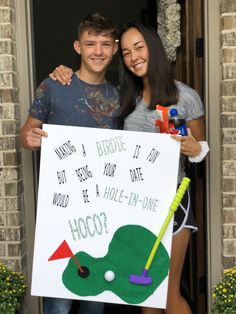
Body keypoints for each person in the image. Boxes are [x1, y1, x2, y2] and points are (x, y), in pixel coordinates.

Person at [49, 22, 209, 314]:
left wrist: (195, 148)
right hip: (136, 207)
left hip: (173, 202)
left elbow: (201, 149)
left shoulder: (184, 97)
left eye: (139, 47)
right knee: (146, 299)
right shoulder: (124, 98)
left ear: (153, 48)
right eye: (125, 52)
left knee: (169, 295)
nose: (134, 56)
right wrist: (65, 73)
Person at [20, 12, 119, 314]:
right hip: (60, 213)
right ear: (78, 47)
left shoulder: (120, 96)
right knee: (58, 304)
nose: (98, 52)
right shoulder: (52, 86)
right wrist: (30, 138)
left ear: (115, 48)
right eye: (91, 44)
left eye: (105, 44)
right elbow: (25, 133)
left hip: (103, 213)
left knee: (94, 304)